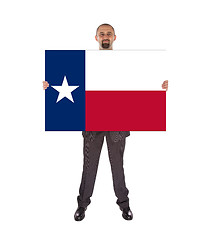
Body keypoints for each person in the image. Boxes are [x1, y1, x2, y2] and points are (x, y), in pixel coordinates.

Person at [43, 23, 168, 221]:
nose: (105, 36)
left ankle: (124, 204)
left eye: (108, 33)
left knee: (117, 165)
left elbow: (139, 85)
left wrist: (159, 87)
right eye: (102, 34)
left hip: (118, 122)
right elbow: (68, 86)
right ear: (96, 38)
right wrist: (50, 86)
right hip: (92, 122)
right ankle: (82, 205)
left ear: (115, 37)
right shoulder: (84, 63)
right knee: (89, 165)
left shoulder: (126, 63)